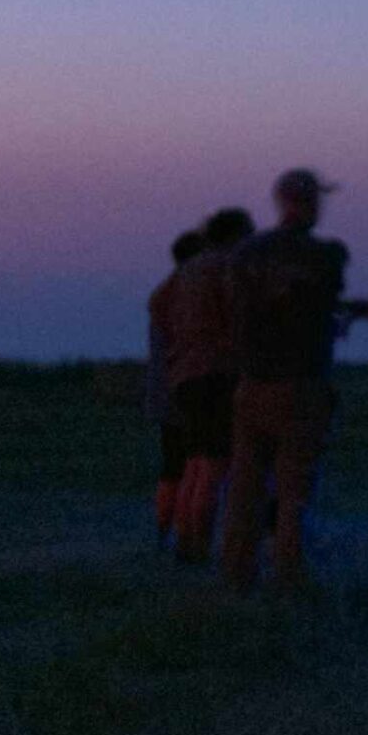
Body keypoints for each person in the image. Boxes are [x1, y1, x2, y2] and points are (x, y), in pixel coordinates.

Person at [220, 170, 368, 592]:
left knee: (245, 485)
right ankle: (288, 574)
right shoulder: (326, 255)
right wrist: (360, 313)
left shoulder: (245, 254)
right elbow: (318, 307)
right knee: (295, 486)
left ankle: (237, 574)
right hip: (300, 383)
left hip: (251, 383)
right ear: (309, 203)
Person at [164, 205, 255, 563]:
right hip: (216, 374)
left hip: (185, 377)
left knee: (195, 464)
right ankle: (200, 548)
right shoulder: (227, 268)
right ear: (235, 236)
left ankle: (186, 543)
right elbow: (239, 319)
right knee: (216, 466)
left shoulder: (187, 271)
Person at [146, 229, 204, 546]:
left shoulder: (163, 293)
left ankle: (164, 532)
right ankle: (186, 535)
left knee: (172, 467)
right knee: (195, 465)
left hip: (164, 392)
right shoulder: (188, 294)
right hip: (186, 390)